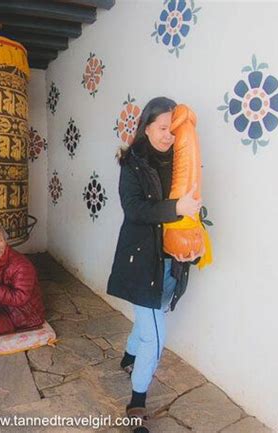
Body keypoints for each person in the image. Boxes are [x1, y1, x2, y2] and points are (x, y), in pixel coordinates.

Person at [107, 97, 202, 432]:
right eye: (162, 128)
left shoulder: (180, 161)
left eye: (172, 130)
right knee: (156, 336)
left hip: (171, 262)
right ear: (146, 126)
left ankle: (129, 357)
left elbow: (191, 213)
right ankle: (137, 403)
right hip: (140, 260)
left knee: (148, 317)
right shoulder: (131, 163)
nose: (168, 136)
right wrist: (177, 208)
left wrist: (194, 249)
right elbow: (135, 211)